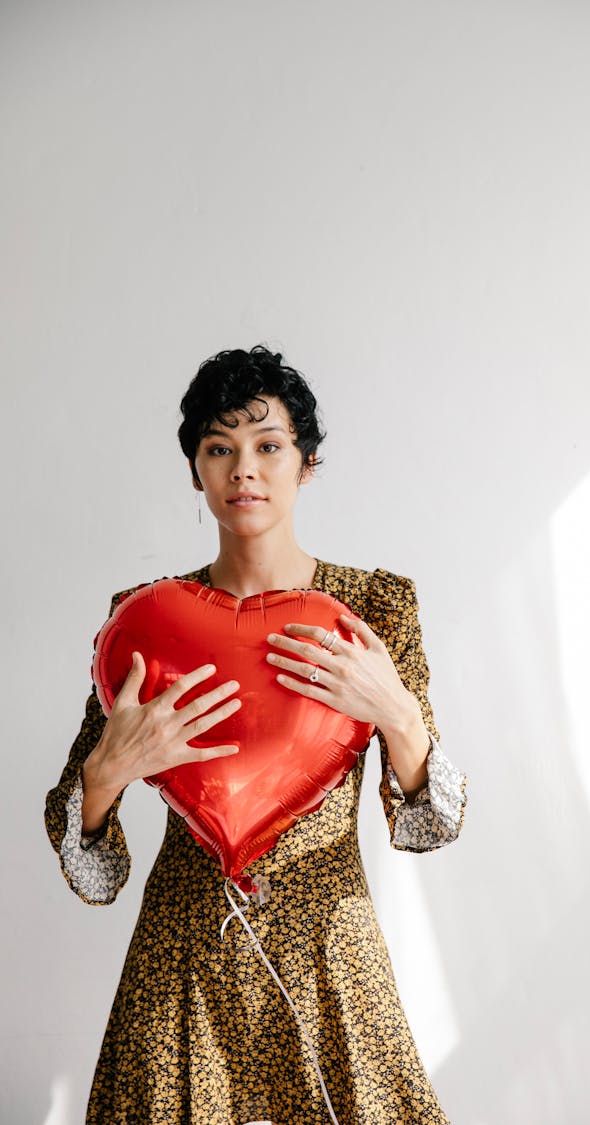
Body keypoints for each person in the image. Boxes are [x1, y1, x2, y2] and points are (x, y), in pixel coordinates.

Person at [44, 345, 467, 1125]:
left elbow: (427, 824)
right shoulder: (146, 620)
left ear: (306, 464)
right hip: (182, 957)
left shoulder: (372, 608)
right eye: (219, 448)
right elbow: (93, 870)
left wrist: (397, 713)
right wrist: (106, 775)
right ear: (197, 471)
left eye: (268, 446)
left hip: (330, 954)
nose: (245, 469)